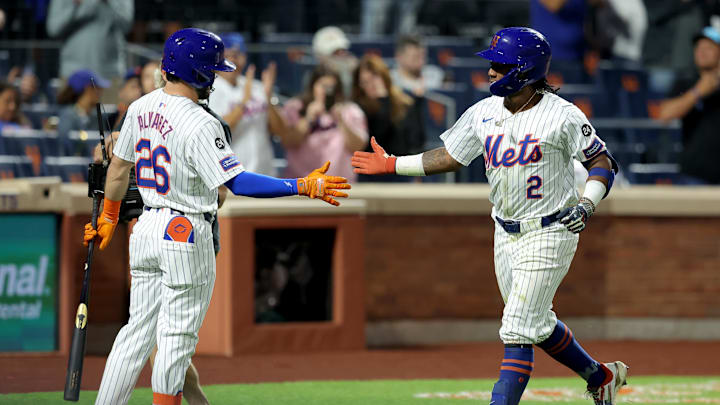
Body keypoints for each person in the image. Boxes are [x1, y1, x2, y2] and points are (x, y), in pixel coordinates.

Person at [352, 27, 627, 405]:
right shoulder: (484, 111)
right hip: (505, 230)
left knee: (515, 327)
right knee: (537, 323)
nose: (492, 72)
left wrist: (587, 203)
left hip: (551, 229)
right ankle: (602, 377)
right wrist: (393, 164)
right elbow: (450, 155)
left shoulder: (562, 114)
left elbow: (602, 161)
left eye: (500, 64)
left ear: (525, 69)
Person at [83, 28, 350, 405]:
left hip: (144, 226)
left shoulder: (140, 106)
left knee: (134, 335)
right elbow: (238, 184)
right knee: (175, 342)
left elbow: (117, 169)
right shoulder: (201, 122)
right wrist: (301, 186)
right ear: (203, 74)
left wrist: (110, 216)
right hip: (185, 229)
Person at [209, 32, 289, 176]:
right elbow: (218, 131)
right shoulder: (208, 89)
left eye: (237, 54)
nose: (233, 60)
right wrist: (244, 102)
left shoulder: (256, 86)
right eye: (227, 55)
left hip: (265, 172)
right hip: (230, 176)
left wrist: (269, 97)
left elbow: (280, 131)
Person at [281, 64, 368, 182]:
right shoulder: (295, 107)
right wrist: (308, 118)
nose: (327, 91)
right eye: (323, 86)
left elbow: (358, 147)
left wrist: (342, 121)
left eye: (332, 87)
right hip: (300, 186)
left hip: (339, 185)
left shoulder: (351, 111)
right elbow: (288, 141)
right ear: (312, 86)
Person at [657, 26, 720, 185]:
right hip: (695, 173)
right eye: (698, 47)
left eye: (709, 47)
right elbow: (664, 114)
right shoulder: (686, 83)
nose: (701, 51)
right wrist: (698, 92)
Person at [352, 54, 424, 181]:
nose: (371, 85)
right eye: (365, 82)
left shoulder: (405, 103)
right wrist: (383, 99)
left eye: (374, 77)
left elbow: (417, 140)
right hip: (370, 175)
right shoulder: (359, 109)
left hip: (401, 172)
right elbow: (378, 137)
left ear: (384, 76)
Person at [46, 0, 133, 80]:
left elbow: (126, 26)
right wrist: (79, 7)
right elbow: (54, 29)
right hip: (72, 74)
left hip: (110, 73)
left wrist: (108, 2)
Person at [56, 69, 109, 154]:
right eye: (98, 88)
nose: (101, 92)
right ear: (88, 89)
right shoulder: (68, 116)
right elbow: (64, 148)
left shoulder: (95, 117)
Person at [312, 26, 358, 95]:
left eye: (343, 50)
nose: (341, 55)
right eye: (335, 52)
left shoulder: (358, 72)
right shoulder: (315, 77)